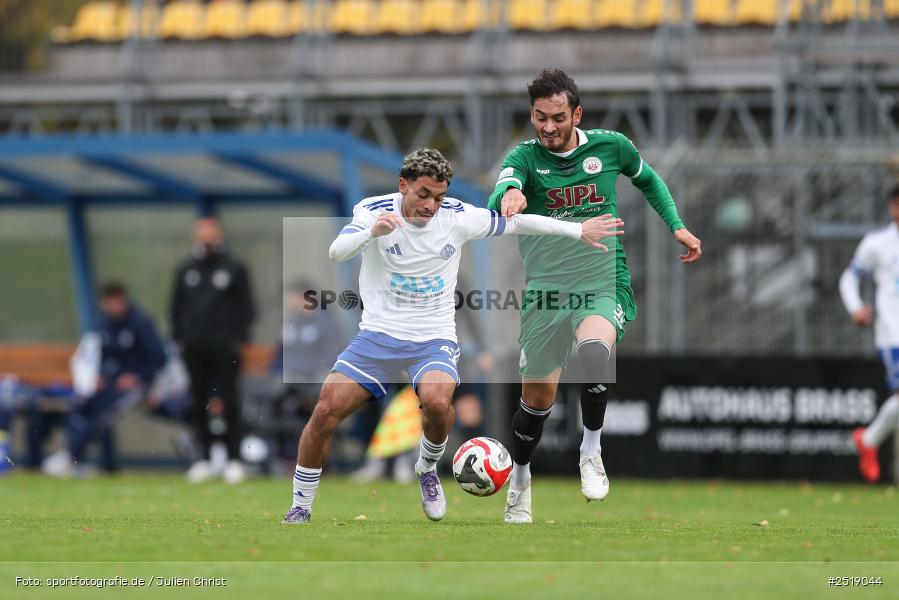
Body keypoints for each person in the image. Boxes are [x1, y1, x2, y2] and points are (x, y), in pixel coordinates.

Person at [283, 148, 623, 525]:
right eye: (424, 194)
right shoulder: (373, 210)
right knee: (326, 411)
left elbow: (521, 223)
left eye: (439, 196)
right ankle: (300, 505)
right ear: (403, 185)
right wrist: (370, 232)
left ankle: (427, 468)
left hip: (433, 337)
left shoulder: (458, 218)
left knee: (438, 402)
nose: (432, 205)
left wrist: (578, 230)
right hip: (377, 336)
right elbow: (336, 252)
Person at [487, 68, 702, 524]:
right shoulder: (524, 157)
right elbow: (503, 187)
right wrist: (509, 196)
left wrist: (676, 226)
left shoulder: (611, 146)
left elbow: (649, 180)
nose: (548, 127)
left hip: (602, 280)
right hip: (545, 290)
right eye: (539, 117)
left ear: (576, 114)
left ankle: (591, 449)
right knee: (537, 403)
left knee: (594, 350)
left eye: (557, 117)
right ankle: (520, 483)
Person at [44, 281, 166, 476]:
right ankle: (70, 457)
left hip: (134, 387)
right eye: (111, 302)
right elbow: (96, 356)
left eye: (119, 300)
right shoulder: (103, 324)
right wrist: (98, 377)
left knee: (101, 414)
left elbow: (158, 357)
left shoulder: (141, 323)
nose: (116, 306)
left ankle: (72, 458)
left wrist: (137, 377)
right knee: (80, 407)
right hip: (107, 384)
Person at [170, 216, 256, 484]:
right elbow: (175, 309)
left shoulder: (233, 268)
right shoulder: (186, 270)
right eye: (201, 231)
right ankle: (203, 460)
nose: (206, 235)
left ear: (218, 233)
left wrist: (236, 339)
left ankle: (234, 460)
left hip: (224, 349)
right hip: (194, 349)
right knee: (198, 402)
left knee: (229, 401)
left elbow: (246, 308)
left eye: (210, 231)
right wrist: (181, 338)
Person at [840, 184, 899, 483]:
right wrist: (856, 307)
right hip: (893, 334)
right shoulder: (878, 243)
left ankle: (869, 439)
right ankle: (870, 439)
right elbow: (849, 278)